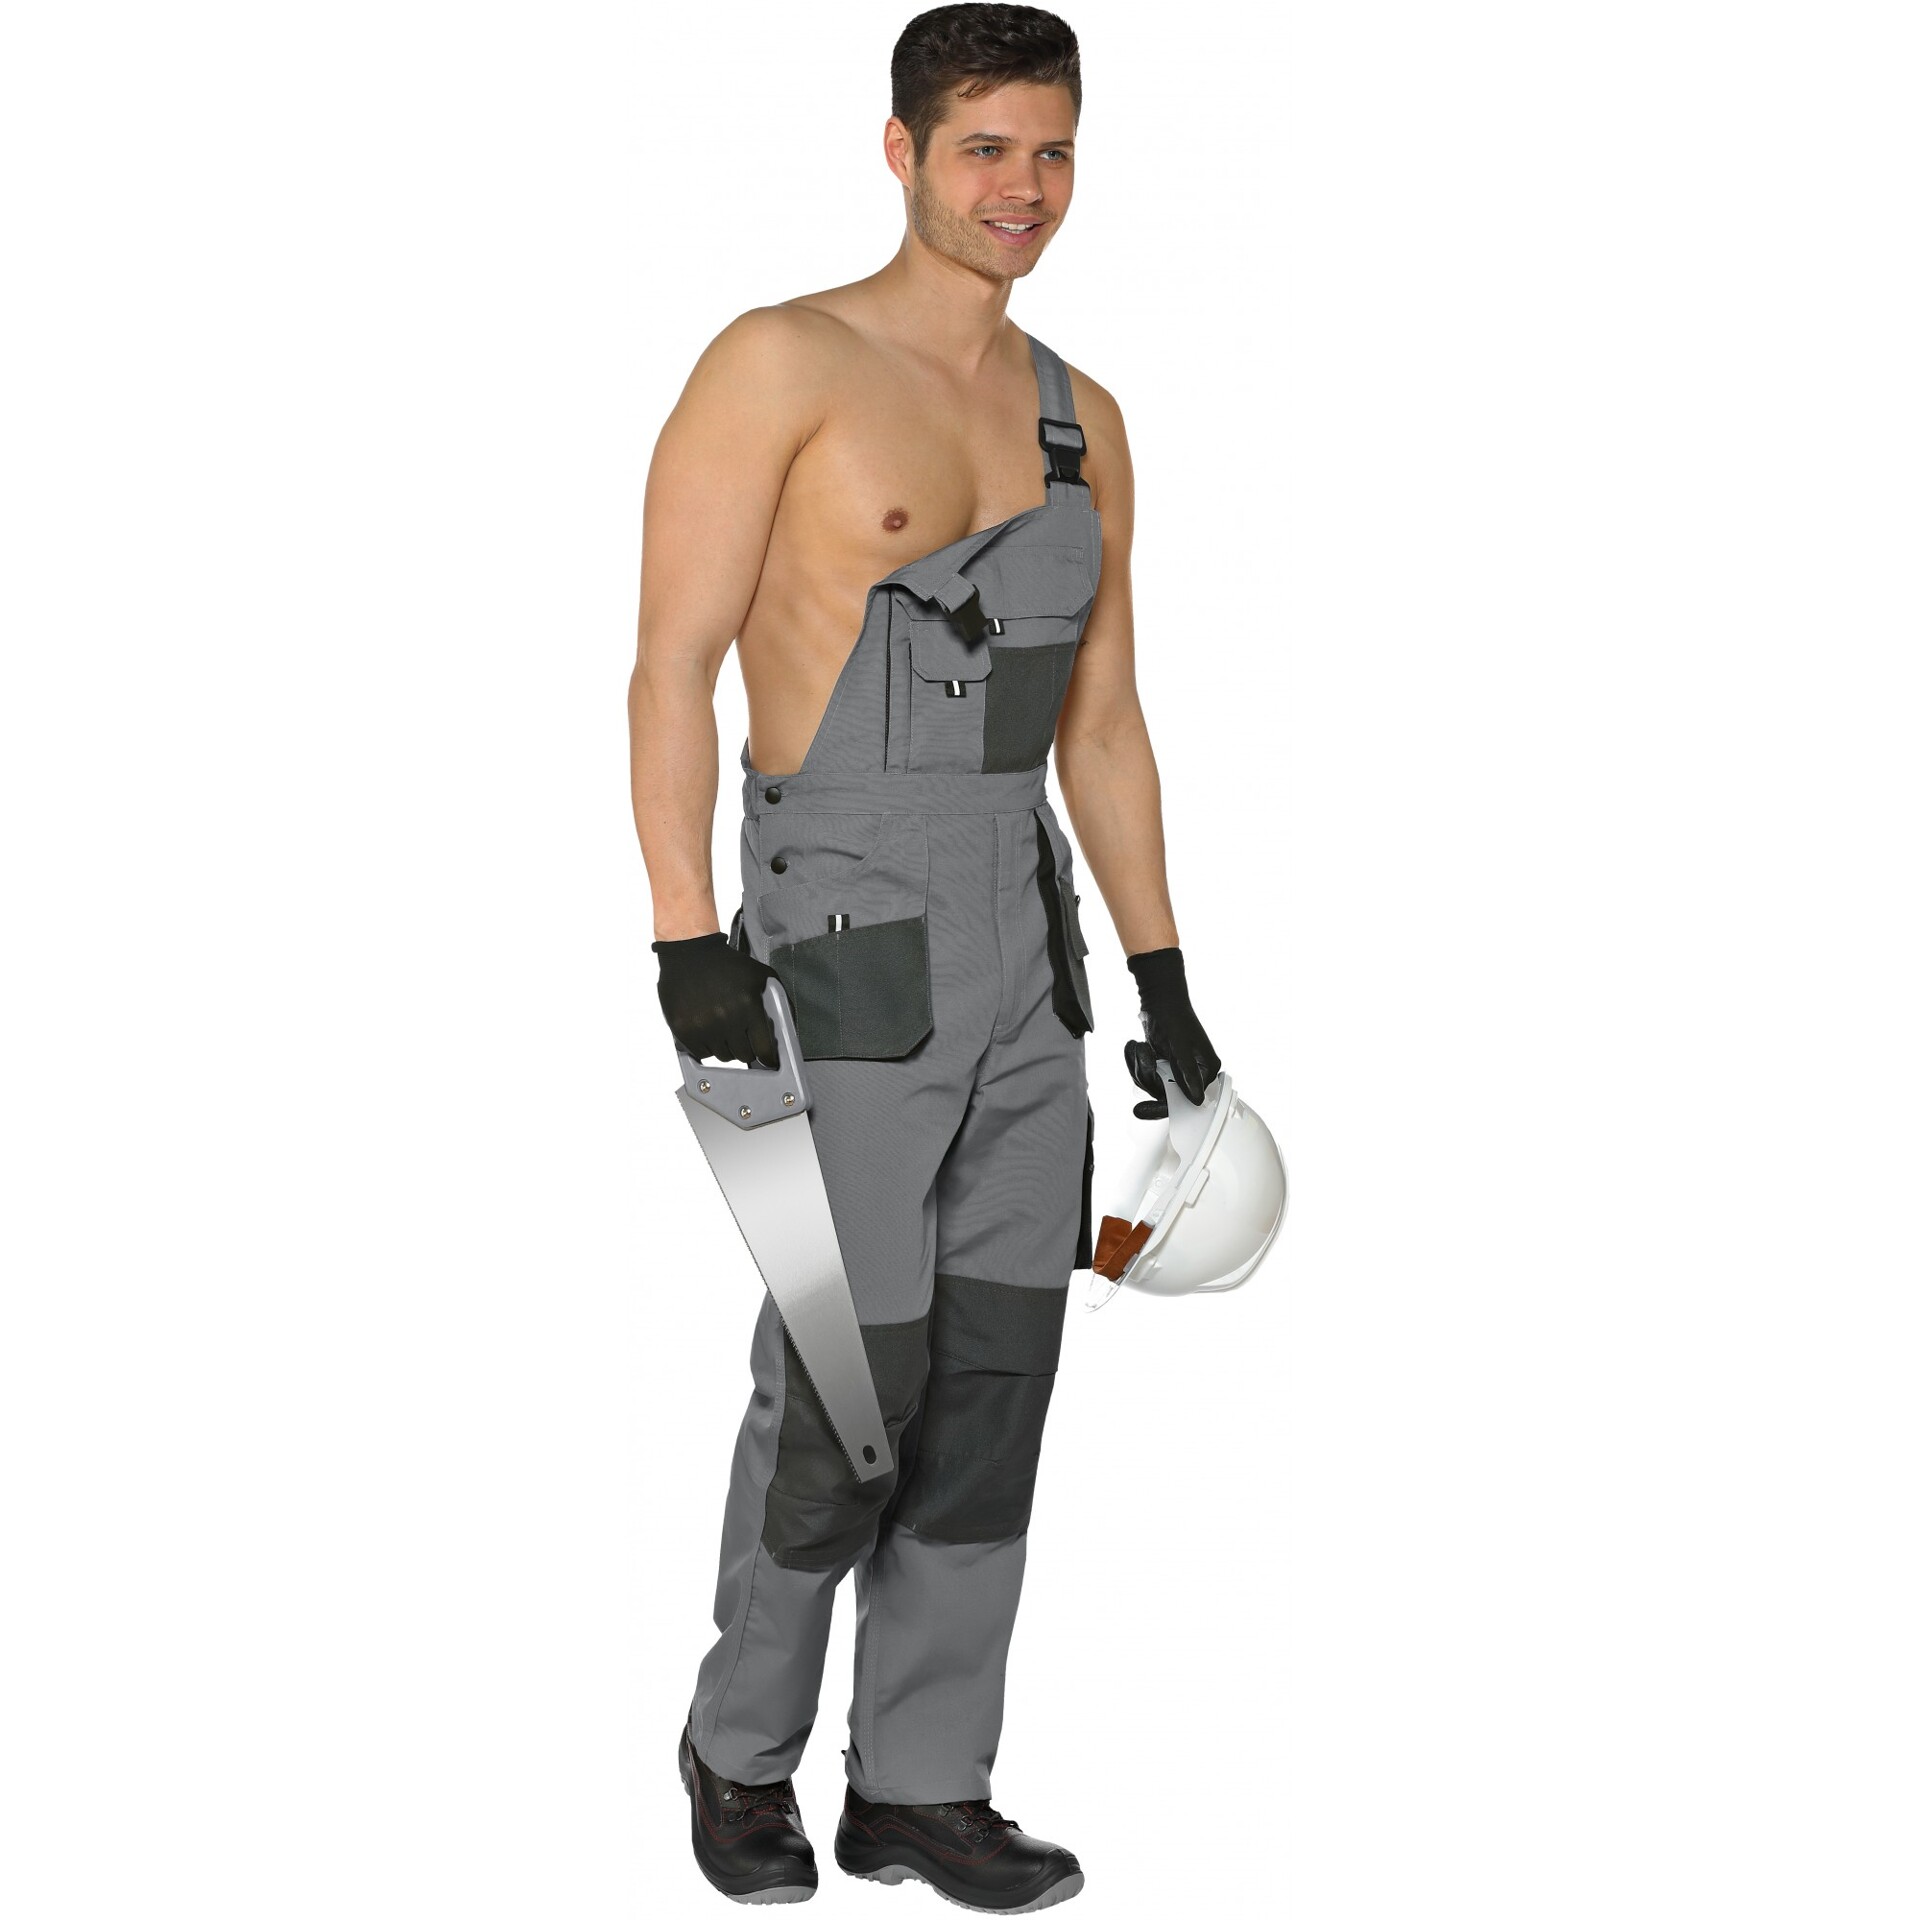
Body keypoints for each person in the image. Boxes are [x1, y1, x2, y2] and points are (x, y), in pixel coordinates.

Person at [628, 6, 1222, 1907]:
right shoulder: (782, 362)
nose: (1021, 189)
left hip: (1024, 950)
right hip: (844, 933)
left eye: (1051, 151)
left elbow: (1103, 726)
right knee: (846, 1377)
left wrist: (1164, 983)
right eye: (984, 149)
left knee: (993, 1382)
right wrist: (687, 938)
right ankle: (741, 1755)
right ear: (901, 151)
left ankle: (923, 1787)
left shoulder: (1080, 417)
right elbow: (672, 666)